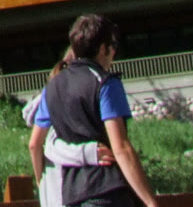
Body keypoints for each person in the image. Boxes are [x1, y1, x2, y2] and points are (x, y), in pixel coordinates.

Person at [28, 14, 160, 207]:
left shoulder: (51, 88)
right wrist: (150, 201)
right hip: (107, 191)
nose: (114, 52)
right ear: (102, 48)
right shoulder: (105, 83)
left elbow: (34, 144)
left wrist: (41, 183)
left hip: (72, 195)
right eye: (112, 45)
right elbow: (121, 148)